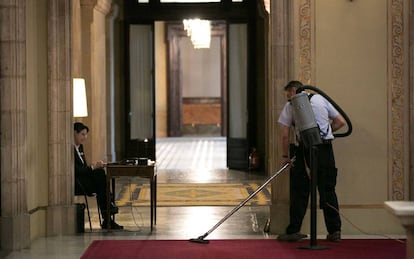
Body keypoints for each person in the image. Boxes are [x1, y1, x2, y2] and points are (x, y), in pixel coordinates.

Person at [277, 80, 346, 242]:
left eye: (288, 95)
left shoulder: (291, 105)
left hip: (303, 151)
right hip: (325, 150)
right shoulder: (321, 99)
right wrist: (326, 133)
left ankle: (293, 230)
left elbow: (285, 135)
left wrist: (285, 157)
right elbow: (341, 122)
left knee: (300, 191)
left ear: (294, 91)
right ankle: (335, 231)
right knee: (327, 190)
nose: (288, 98)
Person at [74, 122, 123, 230]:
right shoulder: (70, 149)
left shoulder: (80, 147)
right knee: (100, 179)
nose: (85, 137)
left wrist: (94, 166)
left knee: (100, 176)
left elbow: (84, 167)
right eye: (82, 134)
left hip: (84, 179)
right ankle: (108, 211)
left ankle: (108, 217)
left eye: (86, 135)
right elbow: (77, 171)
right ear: (75, 134)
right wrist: (92, 167)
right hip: (78, 182)